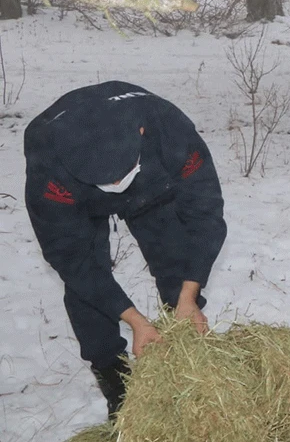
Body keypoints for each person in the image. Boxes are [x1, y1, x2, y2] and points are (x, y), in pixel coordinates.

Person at [23, 82, 226, 419]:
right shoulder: (49, 164)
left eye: (121, 176)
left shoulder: (168, 128)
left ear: (140, 131)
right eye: (107, 182)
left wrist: (189, 295)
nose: (117, 187)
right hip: (81, 200)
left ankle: (185, 358)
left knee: (176, 257)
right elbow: (72, 259)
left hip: (153, 183)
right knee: (87, 288)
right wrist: (134, 319)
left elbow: (205, 216)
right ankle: (117, 388)